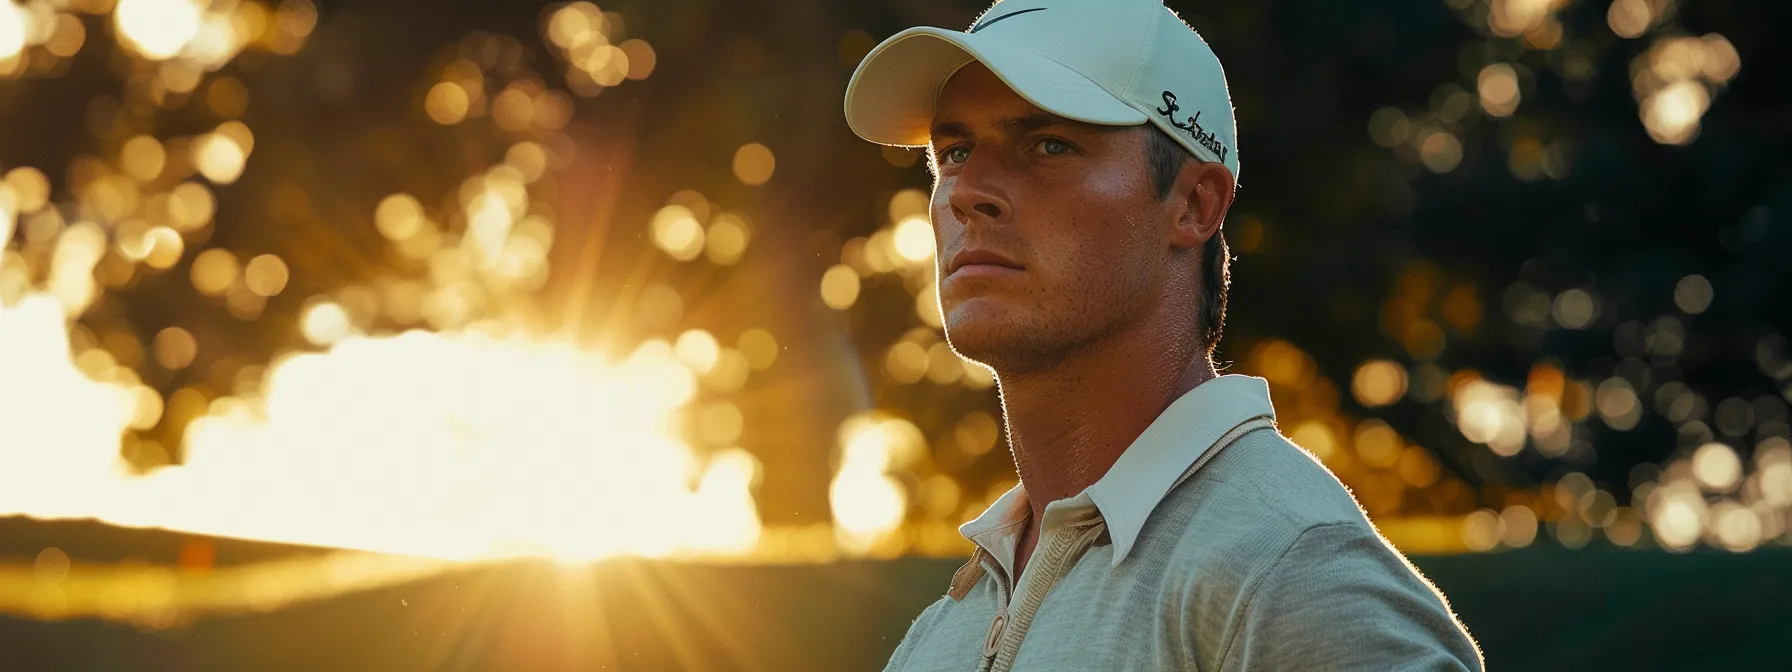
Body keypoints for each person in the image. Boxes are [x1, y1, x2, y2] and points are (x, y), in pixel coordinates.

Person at [843, 0, 1485, 669]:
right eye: (954, 151)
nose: (966, 190)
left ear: (1195, 203)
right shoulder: (941, 633)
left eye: (1050, 144)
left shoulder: (1287, 571)